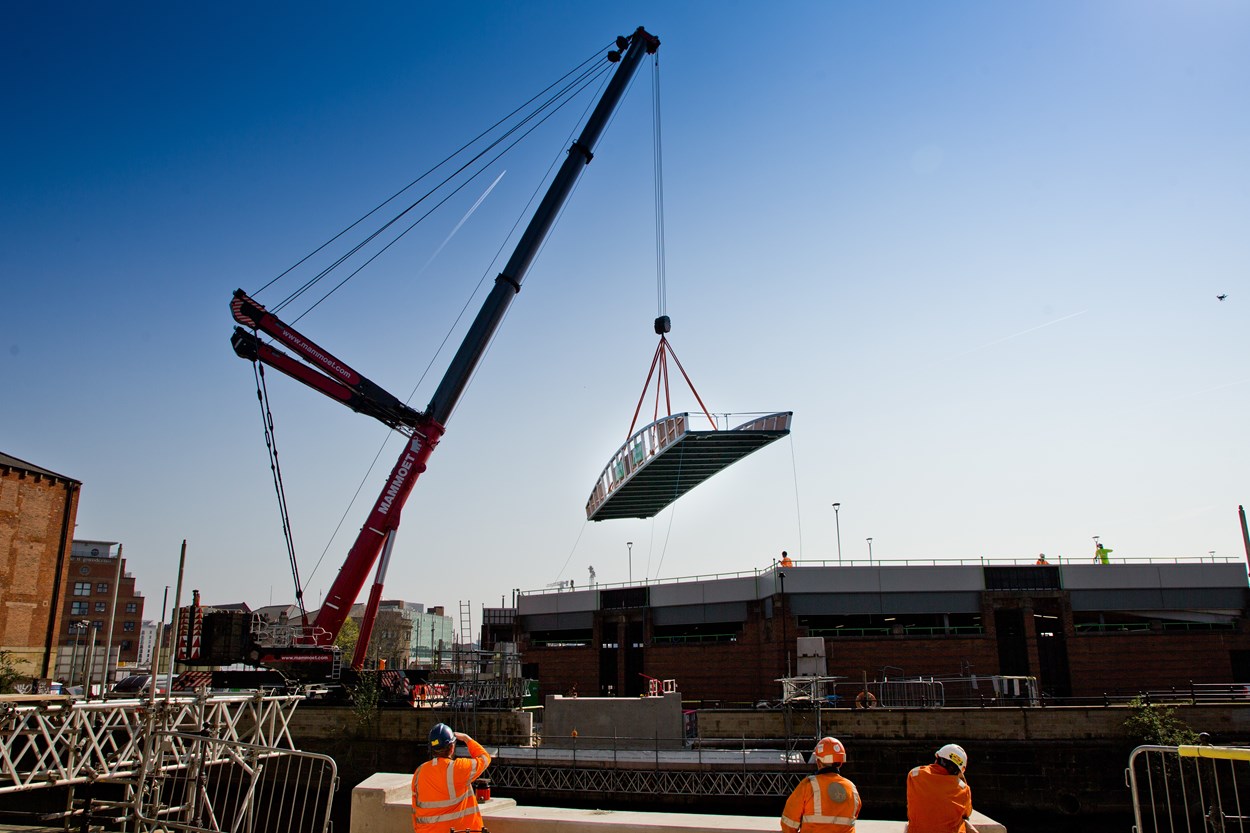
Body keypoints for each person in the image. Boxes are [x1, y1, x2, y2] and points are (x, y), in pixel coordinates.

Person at [411, 722, 491, 833]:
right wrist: (467, 739)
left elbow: (415, 809)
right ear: (452, 747)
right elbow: (485, 758)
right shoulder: (458, 768)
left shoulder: (419, 772)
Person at [780, 736, 861, 833]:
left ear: (818, 762)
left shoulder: (808, 785)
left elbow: (789, 823)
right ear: (840, 763)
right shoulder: (852, 789)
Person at [907, 743, 974, 833]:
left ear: (937, 758)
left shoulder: (914, 775)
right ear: (958, 771)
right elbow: (967, 813)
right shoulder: (963, 789)